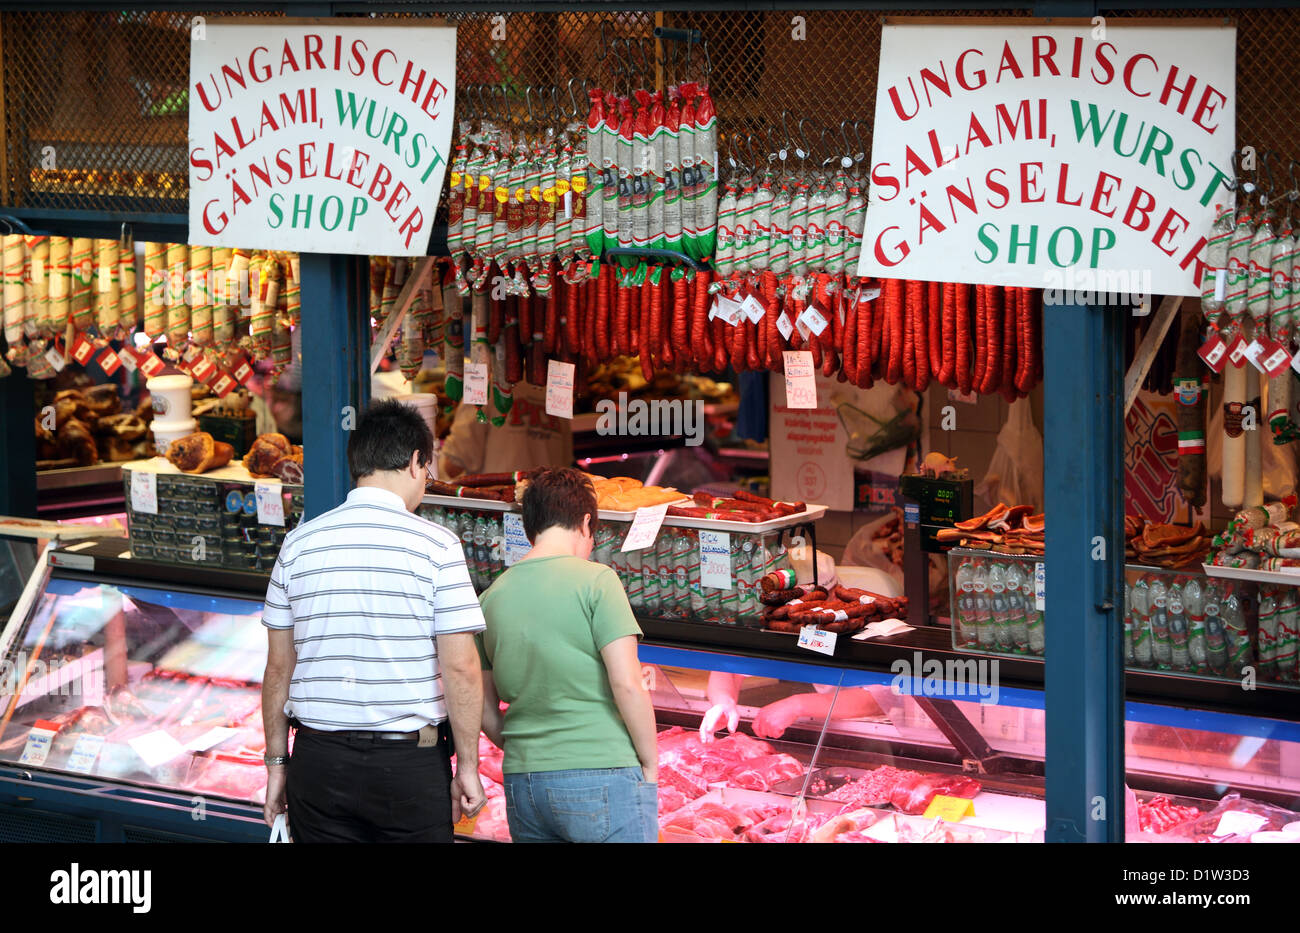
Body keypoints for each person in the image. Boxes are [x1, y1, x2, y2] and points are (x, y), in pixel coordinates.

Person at [260, 399, 486, 843]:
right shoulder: (438, 547)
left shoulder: (299, 544)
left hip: (317, 764)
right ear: (415, 462)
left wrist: (276, 766)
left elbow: (278, 669)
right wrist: (469, 768)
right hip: (409, 768)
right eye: (428, 470)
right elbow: (461, 668)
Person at [477, 467, 658, 843]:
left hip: (523, 784)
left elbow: (480, 706)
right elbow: (627, 684)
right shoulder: (598, 581)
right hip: (601, 772)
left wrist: (527, 749)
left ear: (530, 527)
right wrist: (650, 764)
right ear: (586, 522)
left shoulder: (491, 597)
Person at [439, 380, 573, 479]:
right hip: (549, 503)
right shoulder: (555, 388)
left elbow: (454, 464)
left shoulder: (481, 384)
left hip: (500, 505)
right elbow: (566, 459)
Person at [700, 672, 883, 742]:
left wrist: (797, 705)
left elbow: (880, 700)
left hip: (877, 735)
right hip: (827, 730)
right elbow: (727, 666)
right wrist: (723, 702)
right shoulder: (783, 619)